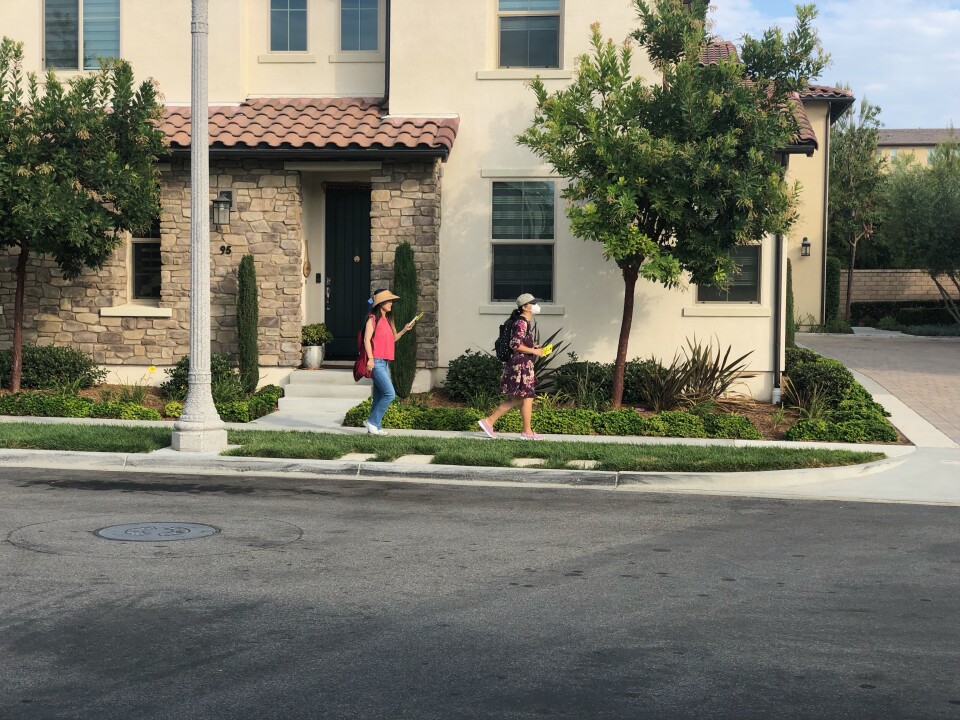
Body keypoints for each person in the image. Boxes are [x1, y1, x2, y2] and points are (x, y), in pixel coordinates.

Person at [478, 293, 544, 440]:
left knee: (524, 398)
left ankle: (526, 431)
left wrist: (533, 347)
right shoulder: (521, 323)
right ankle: (489, 422)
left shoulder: (524, 322)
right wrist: (534, 351)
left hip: (522, 364)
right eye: (533, 303)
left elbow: (520, 343)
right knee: (520, 397)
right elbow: (514, 345)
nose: (536, 306)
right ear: (525, 307)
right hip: (521, 365)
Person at [363, 288, 418, 435]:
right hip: (376, 362)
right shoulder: (372, 319)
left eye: (391, 301)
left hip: (385, 362)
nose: (391, 304)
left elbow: (392, 339)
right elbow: (366, 339)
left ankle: (376, 428)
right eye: (388, 301)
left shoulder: (388, 320)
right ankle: (372, 422)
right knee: (389, 394)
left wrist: (405, 329)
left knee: (379, 396)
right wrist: (370, 359)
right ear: (380, 303)